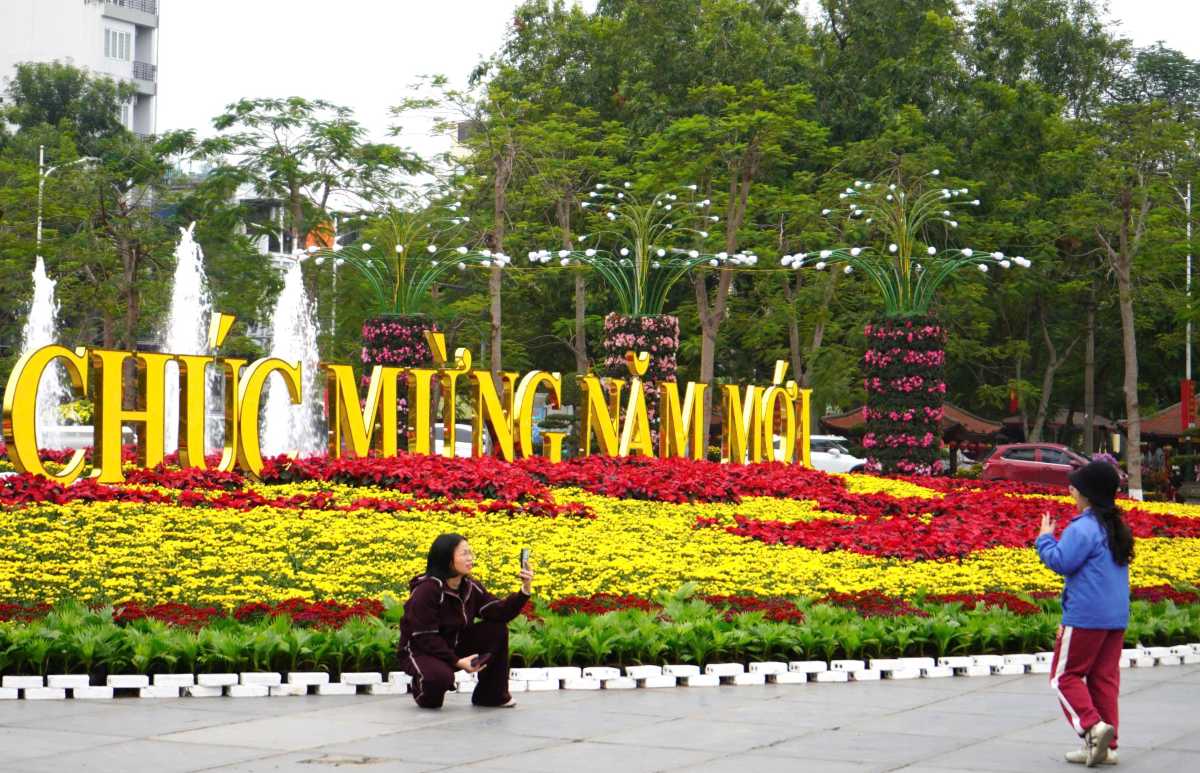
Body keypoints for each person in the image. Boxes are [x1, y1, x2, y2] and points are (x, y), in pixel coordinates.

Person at [1036, 460, 1133, 767]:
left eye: (1075, 487)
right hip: (1115, 618)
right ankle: (1107, 747)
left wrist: (1044, 539)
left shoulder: (1084, 527)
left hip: (1085, 617)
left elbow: (1062, 561)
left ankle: (1093, 728)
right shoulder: (1115, 527)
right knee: (1104, 679)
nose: (1071, 491)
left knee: (1064, 676)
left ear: (1088, 494)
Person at [398, 533, 534, 709]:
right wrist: (457, 661)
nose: (470, 558)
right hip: (421, 650)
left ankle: (491, 695)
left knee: (496, 629)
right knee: (438, 682)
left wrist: (525, 588)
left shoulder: (469, 586)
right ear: (446, 558)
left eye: (470, 553)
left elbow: (499, 612)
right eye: (464, 554)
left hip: (453, 644)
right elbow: (425, 637)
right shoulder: (427, 590)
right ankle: (423, 685)